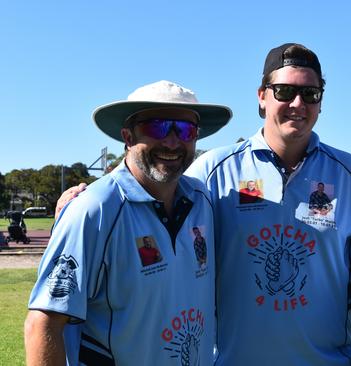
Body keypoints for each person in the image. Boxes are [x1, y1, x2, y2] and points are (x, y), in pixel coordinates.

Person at [184, 43, 351, 364]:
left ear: (321, 101)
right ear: (262, 96)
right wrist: (82, 199)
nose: (298, 103)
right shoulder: (213, 171)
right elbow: (157, 218)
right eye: (284, 91)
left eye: (310, 94)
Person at [24, 80, 231, 365]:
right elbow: (43, 324)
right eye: (157, 127)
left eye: (185, 130)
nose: (172, 142)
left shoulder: (203, 199)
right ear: (128, 137)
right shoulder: (94, 209)